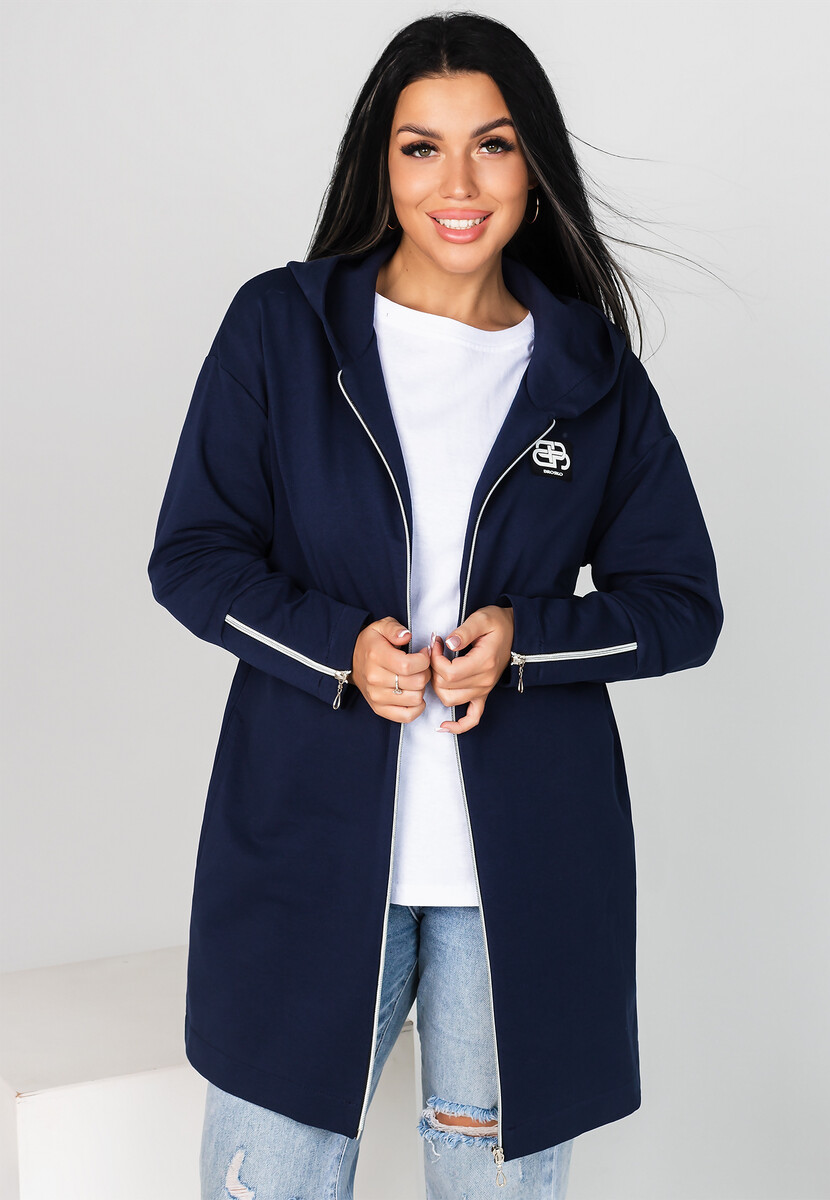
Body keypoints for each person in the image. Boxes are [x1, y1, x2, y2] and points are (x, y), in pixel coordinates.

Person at [147, 12, 724, 1199]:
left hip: (521, 878)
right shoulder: (284, 329)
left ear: (533, 166)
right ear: (382, 164)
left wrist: (524, 642)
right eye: (422, 148)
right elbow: (193, 555)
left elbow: (681, 603)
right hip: (308, 851)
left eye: (492, 145)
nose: (458, 185)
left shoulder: (590, 372)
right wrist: (339, 652)